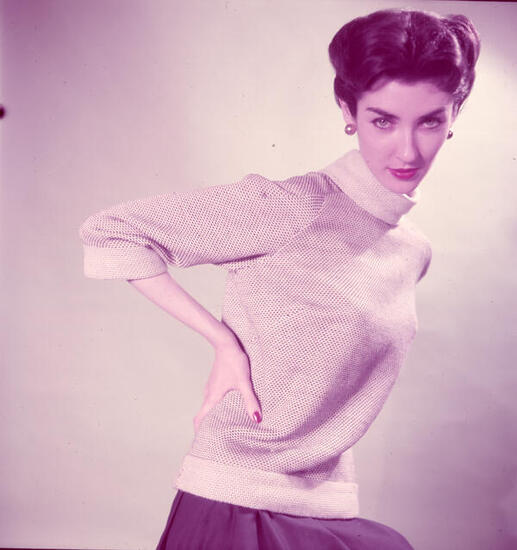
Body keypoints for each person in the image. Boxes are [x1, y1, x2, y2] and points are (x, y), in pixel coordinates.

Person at [78, 7, 480, 550]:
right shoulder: (296, 206)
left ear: (454, 115)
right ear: (348, 111)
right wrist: (223, 341)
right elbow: (111, 231)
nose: (407, 151)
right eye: (382, 121)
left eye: (429, 121)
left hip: (322, 503)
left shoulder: (411, 251)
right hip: (237, 499)